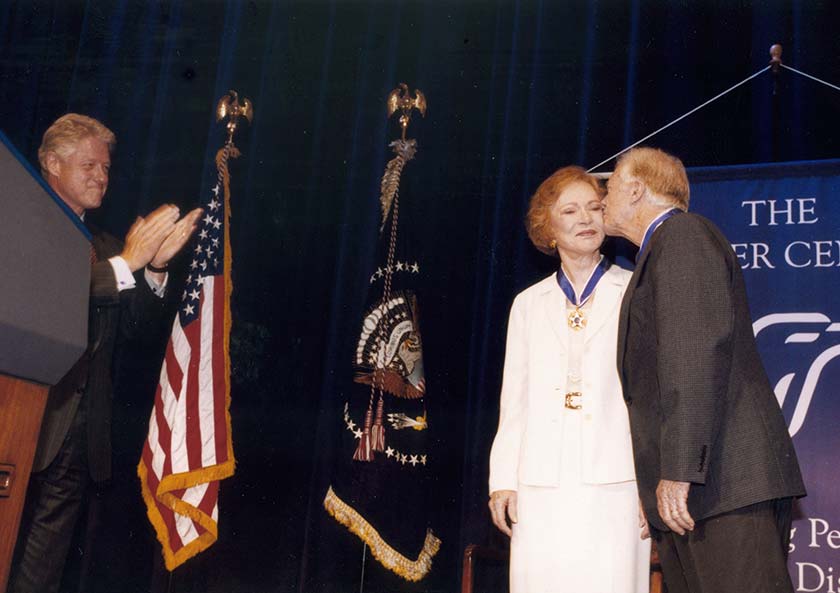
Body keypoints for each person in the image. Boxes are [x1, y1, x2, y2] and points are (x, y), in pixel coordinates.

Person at [8, 113, 203, 593]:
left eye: (107, 169)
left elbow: (135, 332)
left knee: (42, 573)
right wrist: (126, 265)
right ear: (52, 162)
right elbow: (43, 292)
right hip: (16, 424)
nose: (102, 178)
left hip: (77, 437)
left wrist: (155, 269)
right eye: (90, 166)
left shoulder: (110, 246)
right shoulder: (16, 221)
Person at [602, 146, 806, 593]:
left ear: (636, 189)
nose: (604, 197)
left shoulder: (682, 236)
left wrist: (678, 470)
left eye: (611, 184)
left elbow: (693, 356)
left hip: (723, 482)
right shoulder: (660, 250)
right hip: (706, 488)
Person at [488, 166, 650, 593]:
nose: (586, 219)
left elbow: (651, 398)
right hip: (540, 485)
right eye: (571, 210)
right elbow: (515, 400)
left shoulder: (636, 291)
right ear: (548, 228)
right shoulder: (527, 304)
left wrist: (649, 482)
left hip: (616, 481)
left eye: (595, 208)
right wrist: (502, 479)